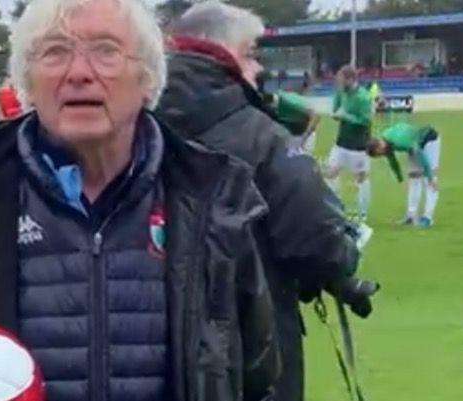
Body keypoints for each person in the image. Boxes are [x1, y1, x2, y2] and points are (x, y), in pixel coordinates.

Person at [0, 2, 279, 401]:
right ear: (27, 81)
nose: (78, 72)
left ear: (147, 78)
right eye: (55, 51)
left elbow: (259, 379)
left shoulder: (210, 198)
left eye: (106, 50)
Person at [157, 3, 368, 401]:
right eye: (251, 54)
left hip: (154, 342)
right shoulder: (260, 135)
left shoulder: (135, 126)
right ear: (223, 53)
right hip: (253, 337)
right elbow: (317, 237)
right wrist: (342, 264)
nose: (258, 69)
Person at [367, 122, 441, 226]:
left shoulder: (399, 141)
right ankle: (411, 216)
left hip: (429, 140)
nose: (382, 155)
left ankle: (427, 218)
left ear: (379, 147)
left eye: (379, 154)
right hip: (413, 144)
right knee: (414, 178)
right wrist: (400, 179)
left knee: (429, 181)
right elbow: (393, 162)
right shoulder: (385, 144)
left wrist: (429, 175)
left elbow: (420, 153)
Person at [326, 65, 373, 222]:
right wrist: (336, 110)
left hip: (358, 144)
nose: (339, 84)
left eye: (341, 80)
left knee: (361, 178)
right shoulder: (341, 91)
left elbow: (366, 121)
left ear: (351, 79)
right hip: (341, 142)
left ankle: (362, 213)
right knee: (330, 172)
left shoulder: (363, 97)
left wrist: (345, 117)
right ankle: (337, 208)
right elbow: (336, 109)